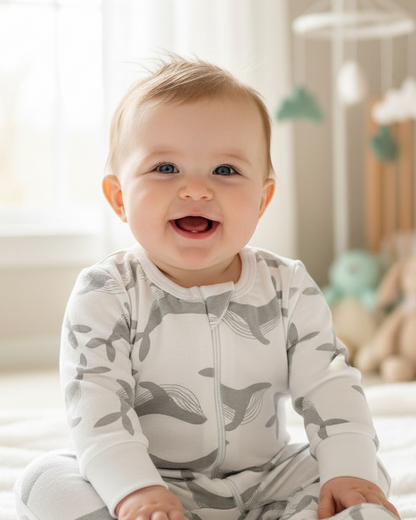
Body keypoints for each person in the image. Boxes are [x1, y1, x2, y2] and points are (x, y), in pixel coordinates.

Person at [14, 55, 400, 520]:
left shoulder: (287, 286)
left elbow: (329, 384)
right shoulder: (107, 291)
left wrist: (347, 470)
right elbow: (97, 407)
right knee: (43, 480)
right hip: (152, 480)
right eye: (165, 168)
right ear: (119, 197)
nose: (195, 189)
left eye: (225, 171)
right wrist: (134, 491)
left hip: (267, 478)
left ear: (262, 199)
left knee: (362, 471)